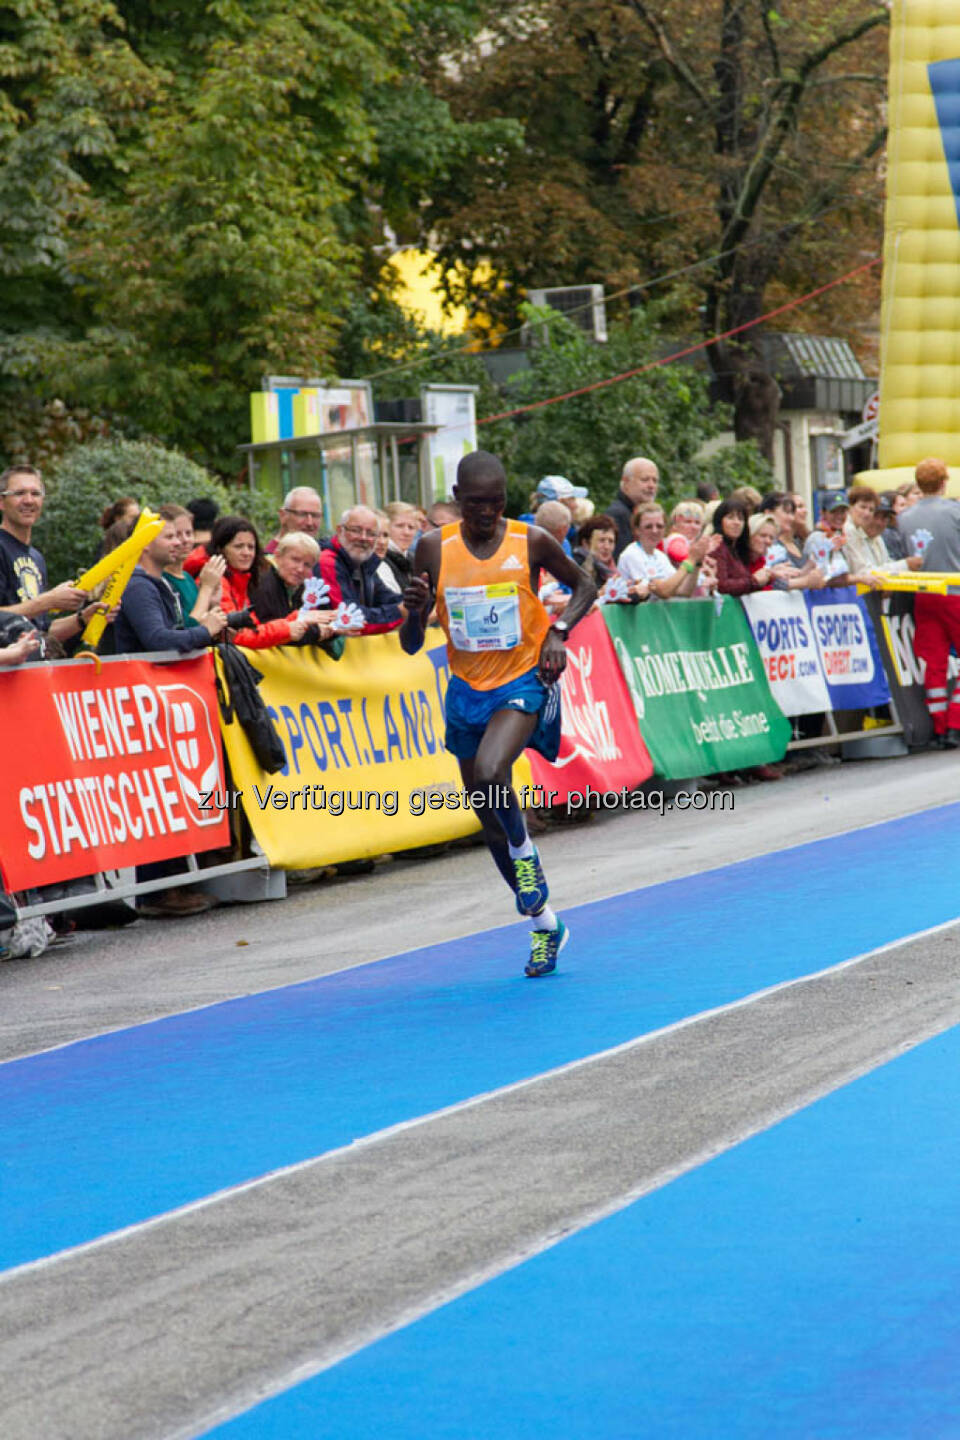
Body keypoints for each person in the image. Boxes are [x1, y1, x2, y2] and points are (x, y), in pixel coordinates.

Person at [400, 450, 596, 978]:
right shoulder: (431, 548)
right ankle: (545, 927)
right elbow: (410, 642)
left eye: (498, 503)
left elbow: (586, 584)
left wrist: (558, 632)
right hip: (466, 688)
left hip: (523, 677)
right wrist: (415, 610)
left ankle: (526, 853)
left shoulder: (529, 540)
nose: (488, 513)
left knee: (492, 772)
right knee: (488, 816)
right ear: (458, 500)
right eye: (477, 504)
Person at [0, 464, 103, 643]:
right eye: (19, 493)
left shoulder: (36, 558)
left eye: (35, 493)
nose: (29, 500)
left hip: (33, 666)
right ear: (1, 502)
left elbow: (42, 632)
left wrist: (83, 619)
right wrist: (48, 601)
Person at [188, 515, 324, 649]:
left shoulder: (243, 580)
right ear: (221, 549)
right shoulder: (217, 581)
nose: (246, 553)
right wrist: (291, 626)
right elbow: (237, 637)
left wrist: (299, 619)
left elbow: (254, 629)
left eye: (251, 547)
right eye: (238, 546)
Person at [897, 457, 960, 746]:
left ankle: (938, 727)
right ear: (944, 482)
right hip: (954, 591)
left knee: (932, 662)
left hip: (923, 594)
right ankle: (956, 722)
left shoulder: (905, 517)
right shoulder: (955, 512)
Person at [115, 518, 228, 656]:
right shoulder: (138, 587)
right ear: (145, 543)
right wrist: (205, 630)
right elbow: (158, 640)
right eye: (169, 537)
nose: (178, 542)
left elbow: (176, 632)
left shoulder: (162, 584)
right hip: (142, 675)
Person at [249, 533, 342, 656]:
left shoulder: (300, 586)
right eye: (295, 560)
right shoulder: (263, 584)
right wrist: (317, 632)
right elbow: (275, 631)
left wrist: (333, 626)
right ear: (278, 556)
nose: (300, 569)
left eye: (307, 565)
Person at [318, 506, 406, 633]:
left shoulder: (365, 562)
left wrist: (415, 603)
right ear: (339, 530)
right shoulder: (327, 561)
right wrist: (399, 613)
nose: (363, 538)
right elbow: (349, 617)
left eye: (371, 533)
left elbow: (389, 598)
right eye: (356, 530)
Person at [618, 502, 717, 598]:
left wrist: (697, 562)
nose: (655, 531)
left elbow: (683, 590)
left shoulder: (660, 556)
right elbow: (664, 591)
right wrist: (690, 560)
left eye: (659, 526)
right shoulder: (632, 554)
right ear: (637, 530)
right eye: (648, 527)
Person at [160, 503, 226, 627]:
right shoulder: (163, 580)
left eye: (189, 533)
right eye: (177, 534)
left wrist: (213, 603)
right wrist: (206, 588)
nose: (185, 540)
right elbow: (188, 627)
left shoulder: (187, 577)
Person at [842, 486, 920, 576]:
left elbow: (885, 563)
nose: (866, 513)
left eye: (871, 510)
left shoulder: (876, 537)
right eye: (862, 507)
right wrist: (906, 565)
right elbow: (862, 572)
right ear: (850, 508)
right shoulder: (848, 531)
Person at [712, 499, 771, 595]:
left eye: (740, 518)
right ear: (720, 521)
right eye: (730, 518)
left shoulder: (738, 550)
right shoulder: (716, 547)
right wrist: (753, 581)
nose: (736, 523)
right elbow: (721, 585)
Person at [605, 457, 659, 557]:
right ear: (626, 482)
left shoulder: (642, 515)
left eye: (655, 481)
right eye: (645, 480)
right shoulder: (618, 515)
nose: (651, 486)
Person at [265, 487, 325, 555]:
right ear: (283, 515)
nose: (309, 523)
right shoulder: (269, 560)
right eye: (302, 514)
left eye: (315, 515)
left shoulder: (324, 554)